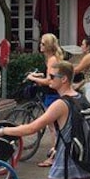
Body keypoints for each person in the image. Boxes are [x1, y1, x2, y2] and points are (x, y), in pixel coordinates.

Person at [27, 33, 63, 167]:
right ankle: (57, 153)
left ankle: (54, 157)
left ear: (48, 46)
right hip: (53, 94)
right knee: (56, 127)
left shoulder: (52, 60)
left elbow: (49, 81)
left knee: (53, 128)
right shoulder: (52, 59)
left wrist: (34, 79)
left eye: (42, 43)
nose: (40, 45)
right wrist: (39, 75)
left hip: (52, 96)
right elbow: (50, 75)